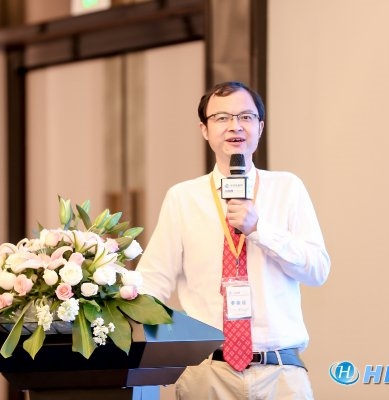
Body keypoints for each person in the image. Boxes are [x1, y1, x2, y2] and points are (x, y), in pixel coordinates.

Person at [135, 81, 330, 399]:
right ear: (204, 129)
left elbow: (317, 270)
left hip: (279, 371)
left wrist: (259, 229)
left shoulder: (287, 188)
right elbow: (151, 283)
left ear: (260, 127)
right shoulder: (183, 198)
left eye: (245, 117)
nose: (235, 126)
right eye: (222, 118)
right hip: (206, 372)